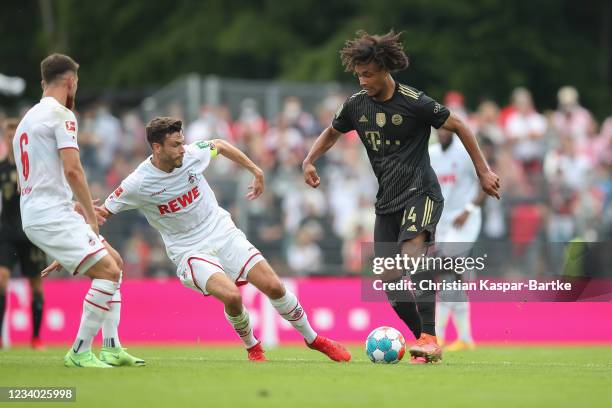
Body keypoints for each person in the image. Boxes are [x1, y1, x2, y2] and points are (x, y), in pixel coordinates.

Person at [302, 30, 500, 363]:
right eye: (358, 74)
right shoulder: (355, 106)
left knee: (412, 257)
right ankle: (424, 338)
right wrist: (309, 159)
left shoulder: (414, 101)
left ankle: (431, 331)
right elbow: (332, 132)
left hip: (421, 193)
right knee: (389, 280)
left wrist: (483, 171)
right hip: (388, 202)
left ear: (384, 69)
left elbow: (461, 126)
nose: (362, 80)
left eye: (367, 74)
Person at [84, 116, 350, 362]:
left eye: (182, 142)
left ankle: (314, 339)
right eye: (175, 145)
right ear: (157, 147)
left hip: (222, 230)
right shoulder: (137, 183)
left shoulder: (191, 154)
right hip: (188, 250)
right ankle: (253, 348)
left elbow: (220, 145)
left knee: (274, 286)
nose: (182, 149)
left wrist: (256, 170)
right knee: (232, 297)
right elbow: (103, 212)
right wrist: (79, 247)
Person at [13, 53, 143, 368]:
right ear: (71, 82)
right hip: (50, 216)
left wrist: (73, 208)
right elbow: (73, 170)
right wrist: (88, 216)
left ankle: (111, 347)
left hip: (43, 211)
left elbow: (31, 181)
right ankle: (80, 351)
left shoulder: (24, 123)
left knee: (114, 262)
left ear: (44, 82)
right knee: (108, 272)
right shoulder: (62, 116)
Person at [430, 127, 486, 351]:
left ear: (453, 131)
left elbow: (486, 181)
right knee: (452, 279)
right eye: (439, 130)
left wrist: (469, 209)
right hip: (442, 222)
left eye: (446, 129)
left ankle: (439, 335)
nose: (442, 133)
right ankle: (465, 338)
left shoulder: (465, 153)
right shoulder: (432, 155)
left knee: (446, 268)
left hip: (465, 219)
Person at [0, 118, 47, 349]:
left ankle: (36, 338)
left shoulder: (34, 168)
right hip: (6, 232)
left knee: (36, 286)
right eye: (7, 133)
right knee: (1, 280)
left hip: (31, 231)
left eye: (14, 133)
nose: (11, 137)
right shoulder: (1, 169)